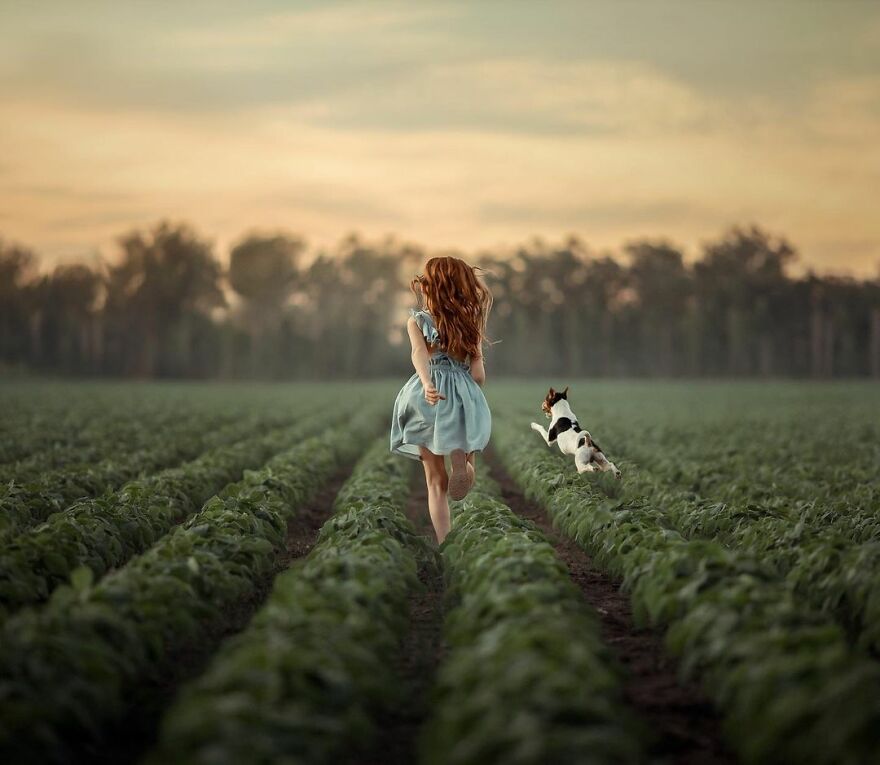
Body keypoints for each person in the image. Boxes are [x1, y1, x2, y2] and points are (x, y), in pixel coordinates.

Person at [390, 255, 493, 543]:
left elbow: (418, 354)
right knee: (466, 456)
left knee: (435, 482)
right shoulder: (469, 322)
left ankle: (445, 542)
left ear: (429, 287)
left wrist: (427, 383)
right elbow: (478, 374)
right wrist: (470, 387)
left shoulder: (417, 321)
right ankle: (464, 463)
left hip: (428, 395)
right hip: (459, 393)